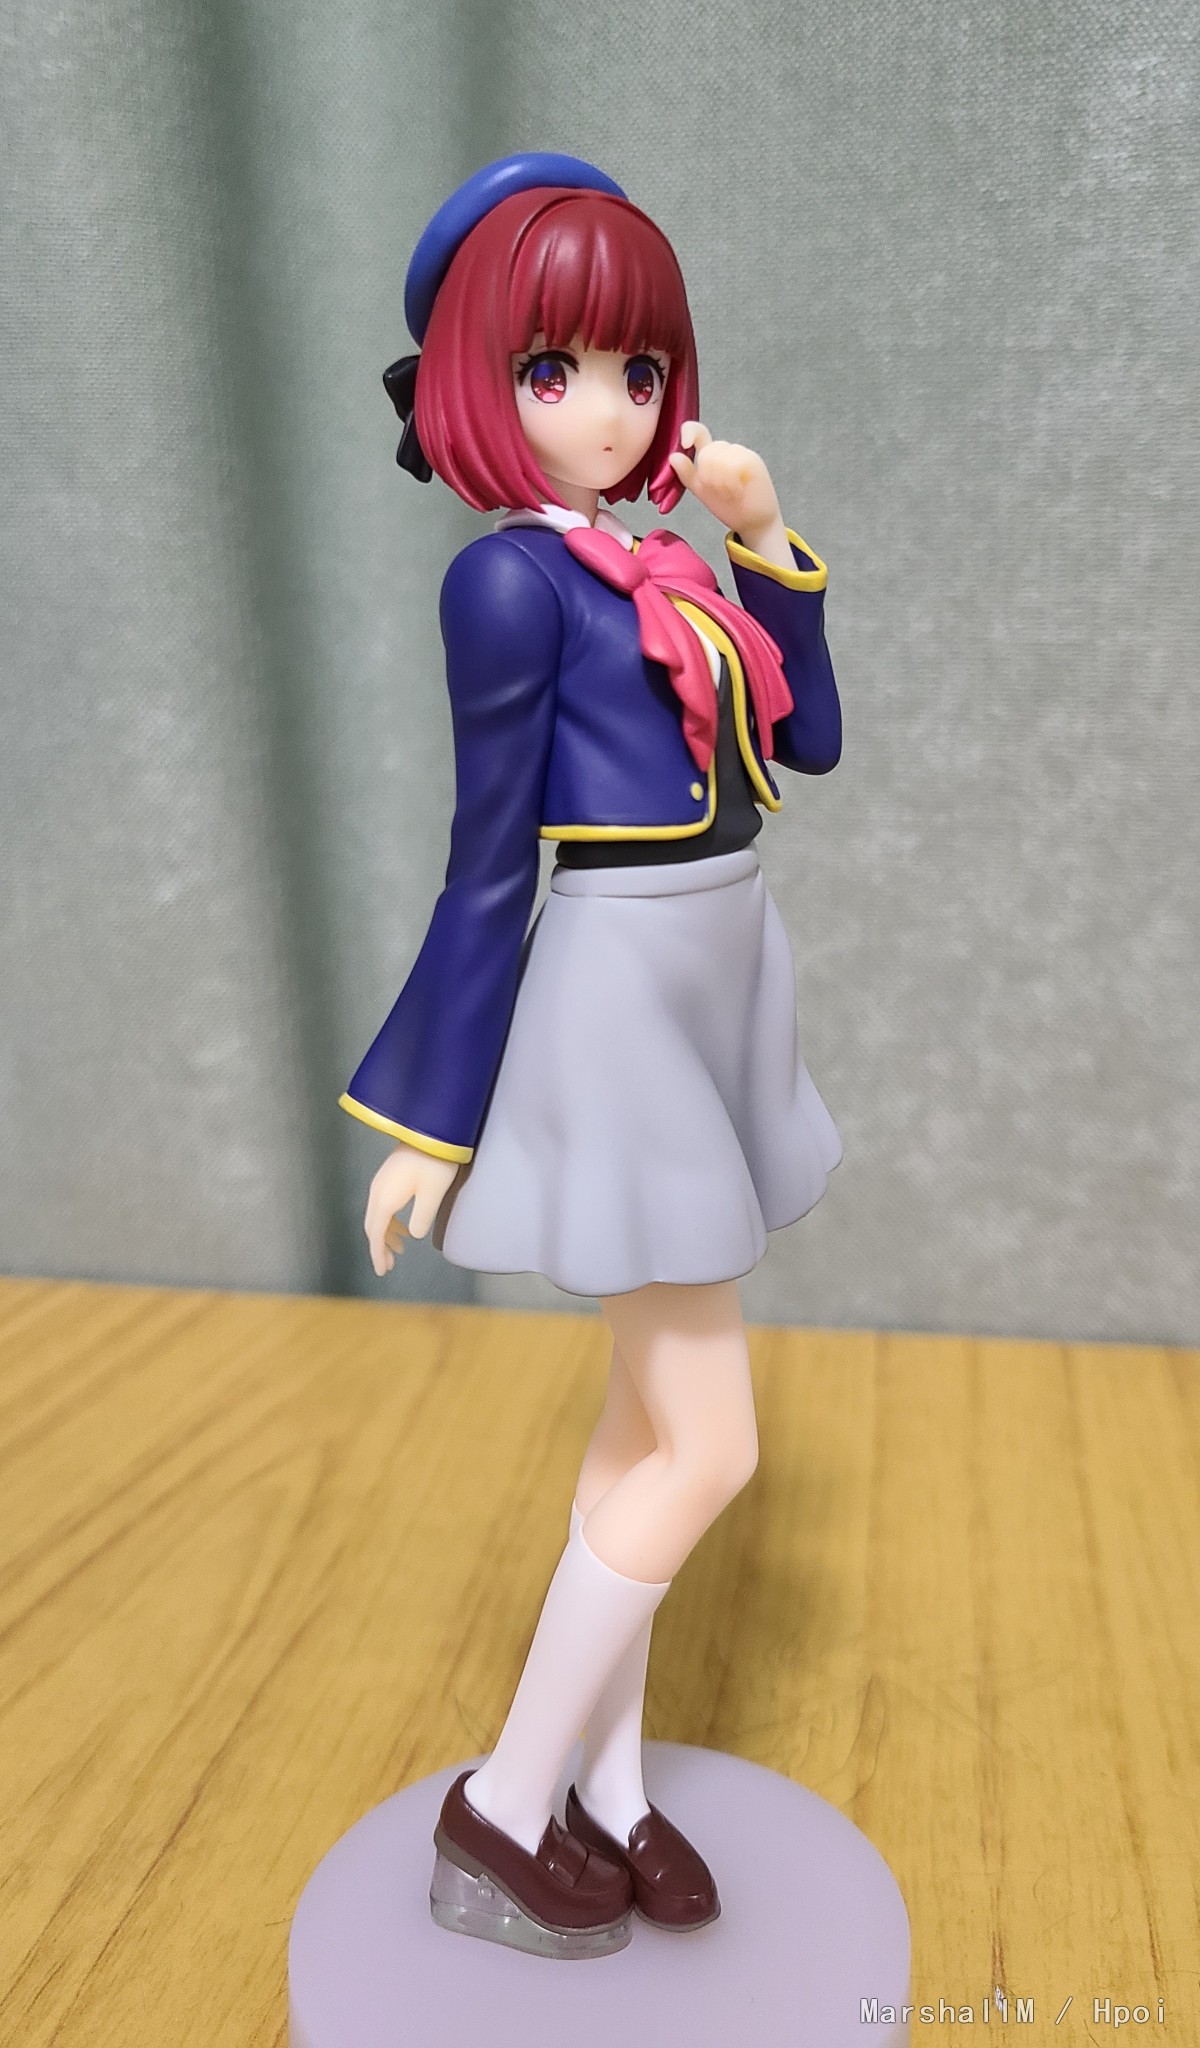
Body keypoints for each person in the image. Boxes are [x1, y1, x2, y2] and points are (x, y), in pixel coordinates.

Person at [341, 152, 843, 1960]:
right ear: (480, 386)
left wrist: (763, 538)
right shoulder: (507, 588)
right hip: (622, 990)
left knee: (640, 1420)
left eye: (637, 367)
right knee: (711, 1444)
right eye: (554, 371)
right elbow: (487, 862)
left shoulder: (675, 559)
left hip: (724, 960)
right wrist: (430, 1115)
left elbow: (813, 742)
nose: (610, 409)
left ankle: (610, 1793)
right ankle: (503, 1800)